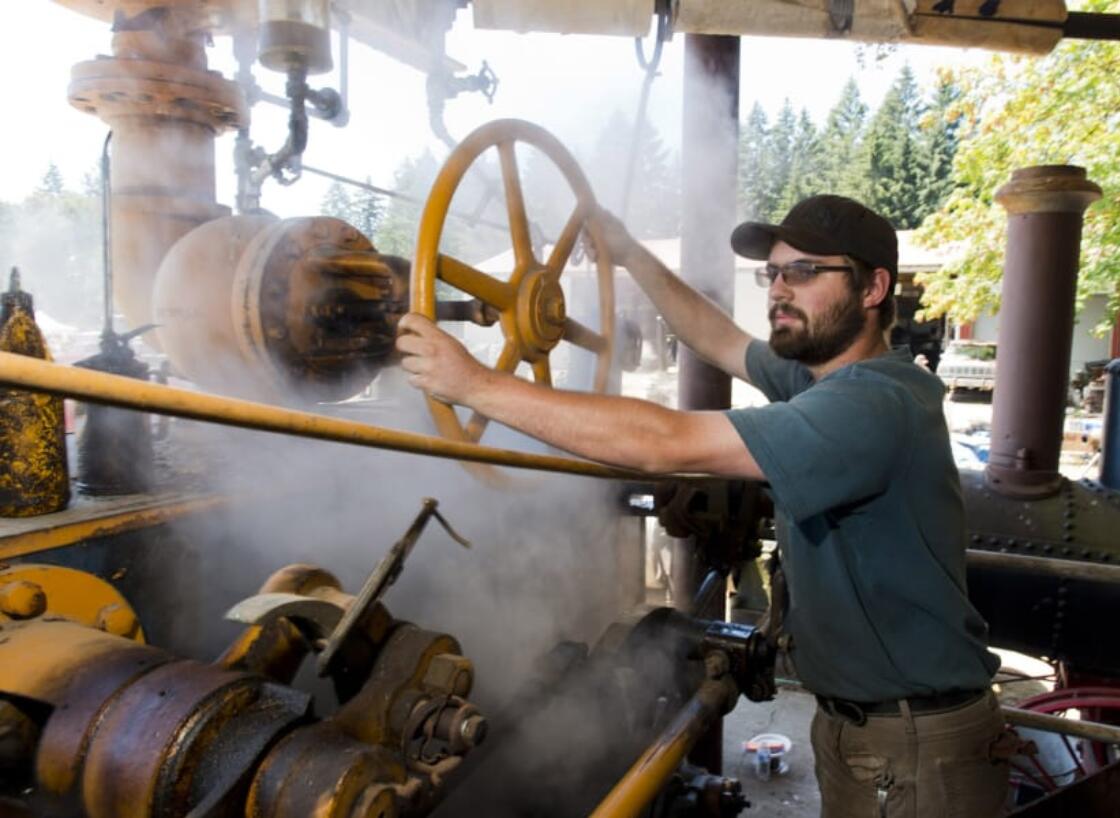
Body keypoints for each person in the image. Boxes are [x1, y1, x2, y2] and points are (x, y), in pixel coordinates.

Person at [397, 194, 1009, 817]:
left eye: (803, 272)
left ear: (875, 287)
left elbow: (664, 443)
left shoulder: (872, 406)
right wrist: (629, 251)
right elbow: (715, 336)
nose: (778, 290)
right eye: (772, 273)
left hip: (911, 747)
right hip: (868, 732)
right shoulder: (826, 377)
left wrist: (473, 384)